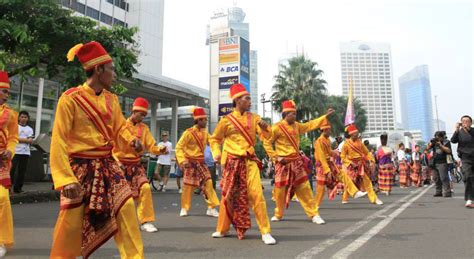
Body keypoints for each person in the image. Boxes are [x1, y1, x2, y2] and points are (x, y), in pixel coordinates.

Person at [49, 42, 144, 258]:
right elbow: (59, 140)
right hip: (79, 168)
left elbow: (120, 128)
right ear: (98, 69)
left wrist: (132, 141)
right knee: (70, 224)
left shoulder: (112, 100)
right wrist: (65, 178)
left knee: (127, 208)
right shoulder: (70, 99)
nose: (114, 74)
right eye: (111, 69)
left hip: (108, 165)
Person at [209, 83, 276, 244]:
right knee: (228, 196)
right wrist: (217, 153)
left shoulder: (255, 119)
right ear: (237, 100)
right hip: (232, 162)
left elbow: (267, 137)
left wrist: (267, 129)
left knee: (256, 194)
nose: (250, 102)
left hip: (249, 161)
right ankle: (222, 229)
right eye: (247, 99)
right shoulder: (226, 121)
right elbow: (214, 139)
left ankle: (265, 231)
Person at [262, 100, 332, 225]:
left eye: (295, 114)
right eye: (292, 114)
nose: (295, 116)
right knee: (279, 190)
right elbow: (267, 142)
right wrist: (276, 157)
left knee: (304, 188)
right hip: (282, 163)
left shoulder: (297, 126)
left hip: (296, 162)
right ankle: (278, 213)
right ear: (285, 114)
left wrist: (324, 117)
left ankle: (314, 214)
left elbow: (310, 125)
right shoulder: (277, 127)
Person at [112, 97, 168, 233]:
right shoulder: (121, 126)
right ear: (134, 110)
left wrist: (160, 149)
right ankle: (115, 222)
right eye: (141, 114)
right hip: (121, 165)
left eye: (144, 115)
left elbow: (151, 146)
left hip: (136, 165)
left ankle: (146, 221)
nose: (142, 117)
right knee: (121, 196)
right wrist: (117, 162)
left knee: (146, 188)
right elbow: (111, 148)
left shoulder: (144, 129)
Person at [175, 107, 220, 218]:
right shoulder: (188, 133)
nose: (206, 121)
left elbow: (213, 142)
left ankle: (211, 207)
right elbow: (179, 147)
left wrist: (216, 154)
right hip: (190, 162)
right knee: (188, 186)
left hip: (201, 162)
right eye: (204, 119)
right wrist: (182, 160)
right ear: (198, 120)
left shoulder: (206, 133)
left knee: (208, 183)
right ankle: (184, 208)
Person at [314, 120, 367, 208]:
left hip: (329, 164)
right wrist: (327, 170)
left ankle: (355, 192)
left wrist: (334, 152)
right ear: (324, 130)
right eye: (328, 130)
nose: (330, 131)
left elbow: (328, 152)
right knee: (321, 187)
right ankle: (315, 205)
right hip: (322, 166)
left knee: (343, 176)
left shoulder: (326, 140)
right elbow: (321, 156)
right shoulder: (319, 141)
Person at [0, 71, 19, 258]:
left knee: (3, 199)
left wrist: (10, 151)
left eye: (7, 92)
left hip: (1, 161)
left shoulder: (11, 114)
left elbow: (13, 137)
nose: (6, 95)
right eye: (3, 91)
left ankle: (2, 240)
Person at [340, 125, 383, 205]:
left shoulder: (360, 143)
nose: (357, 134)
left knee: (367, 182)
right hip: (351, 166)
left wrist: (371, 160)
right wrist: (349, 163)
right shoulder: (346, 144)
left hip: (360, 165)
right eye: (356, 133)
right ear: (351, 134)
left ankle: (374, 199)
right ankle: (345, 198)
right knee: (350, 182)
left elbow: (366, 153)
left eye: (357, 133)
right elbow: (342, 157)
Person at [451, 115, 474, 208]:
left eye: (467, 121)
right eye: (463, 121)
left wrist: (469, 130)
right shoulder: (459, 132)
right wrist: (456, 129)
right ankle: (469, 199)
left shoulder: (473, 131)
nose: (465, 122)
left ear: (471, 123)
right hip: (465, 158)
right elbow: (453, 141)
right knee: (468, 177)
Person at [10, 111, 34, 193]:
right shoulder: (15, 127)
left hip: (25, 152)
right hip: (15, 151)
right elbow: (14, 138)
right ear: (19, 118)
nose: (23, 118)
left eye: (25, 117)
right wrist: (25, 140)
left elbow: (30, 141)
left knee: (22, 171)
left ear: (28, 118)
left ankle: (18, 188)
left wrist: (20, 139)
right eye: (22, 117)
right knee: (11, 170)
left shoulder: (30, 129)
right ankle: (8, 188)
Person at [426, 131, 452, 197]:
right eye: (436, 137)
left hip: (443, 162)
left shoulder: (446, 142)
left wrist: (440, 145)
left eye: (438, 138)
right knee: (435, 178)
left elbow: (448, 150)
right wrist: (430, 144)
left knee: (444, 178)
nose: (437, 139)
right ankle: (438, 191)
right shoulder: (434, 142)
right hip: (434, 162)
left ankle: (447, 192)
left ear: (442, 137)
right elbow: (427, 149)